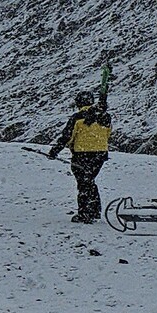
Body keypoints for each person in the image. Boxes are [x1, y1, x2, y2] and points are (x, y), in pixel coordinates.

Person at [45, 91, 113, 223]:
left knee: (83, 184)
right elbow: (108, 133)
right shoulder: (105, 117)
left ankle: (85, 213)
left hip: (82, 154)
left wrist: (55, 151)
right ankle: (94, 210)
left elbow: (67, 136)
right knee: (89, 181)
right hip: (100, 154)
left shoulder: (77, 117)